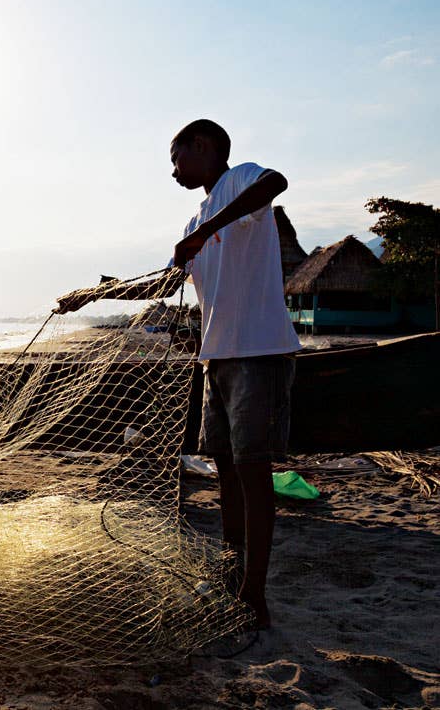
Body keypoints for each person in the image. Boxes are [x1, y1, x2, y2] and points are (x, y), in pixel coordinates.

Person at [56, 119, 300, 629]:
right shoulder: (193, 223)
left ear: (204, 146)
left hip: (259, 353)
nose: (173, 171)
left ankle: (255, 595)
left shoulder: (239, 183)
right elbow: (161, 285)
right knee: (227, 472)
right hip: (216, 359)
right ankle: (235, 575)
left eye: (176, 158)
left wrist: (210, 231)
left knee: (254, 473)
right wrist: (94, 294)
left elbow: (276, 182)